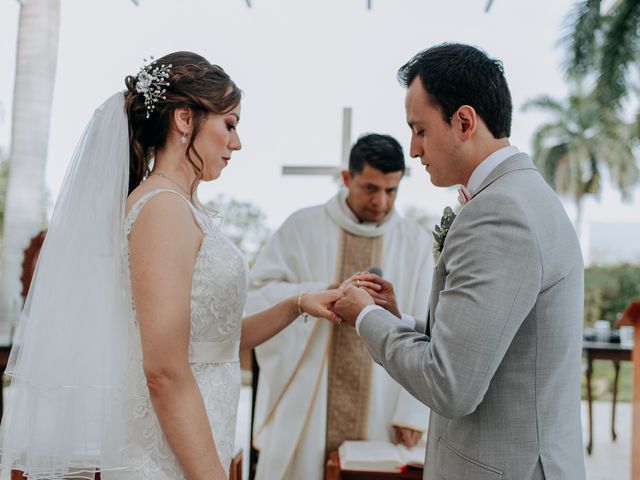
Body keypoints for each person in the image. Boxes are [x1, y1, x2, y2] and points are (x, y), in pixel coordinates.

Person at [0, 51, 342, 480]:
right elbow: (163, 370)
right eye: (230, 124)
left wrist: (298, 303)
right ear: (184, 119)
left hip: (195, 442)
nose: (237, 143)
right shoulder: (162, 209)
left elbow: (214, 340)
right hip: (164, 457)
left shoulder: (181, 206)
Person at [333, 43, 586, 480]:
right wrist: (402, 320)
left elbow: (450, 385)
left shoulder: (500, 212)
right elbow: (496, 342)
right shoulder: (524, 194)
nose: (413, 149)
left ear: (464, 122)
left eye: (420, 130)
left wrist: (366, 317)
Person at [246, 133, 433, 480]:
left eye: (391, 191)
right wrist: (323, 292)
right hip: (309, 404)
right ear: (347, 178)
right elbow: (257, 295)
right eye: (370, 188)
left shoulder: (416, 244)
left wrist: (412, 413)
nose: (381, 202)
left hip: (383, 403)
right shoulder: (302, 227)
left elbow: (426, 328)